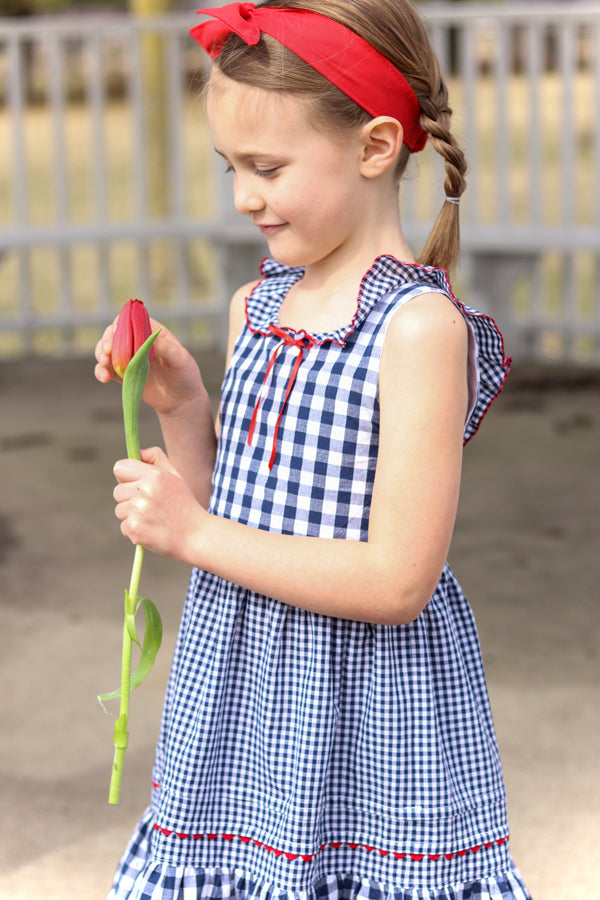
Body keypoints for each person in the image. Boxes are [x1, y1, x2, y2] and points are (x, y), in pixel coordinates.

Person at [95, 2, 532, 897]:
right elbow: (239, 508)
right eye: (231, 168)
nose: (243, 196)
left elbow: (398, 581)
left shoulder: (417, 329)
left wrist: (191, 538)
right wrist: (185, 410)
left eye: (267, 167)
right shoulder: (257, 306)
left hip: (369, 706)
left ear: (375, 148)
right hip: (240, 690)